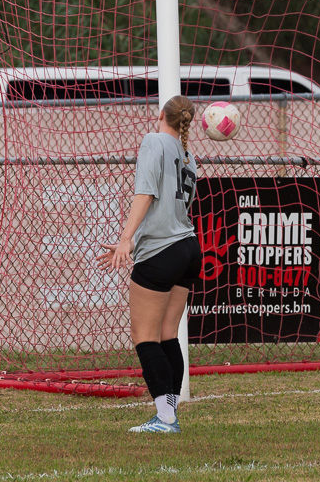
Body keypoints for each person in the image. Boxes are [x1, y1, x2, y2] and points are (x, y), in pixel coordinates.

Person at [97, 95, 201, 433]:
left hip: (162, 250)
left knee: (145, 338)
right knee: (168, 335)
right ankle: (168, 415)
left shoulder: (154, 140)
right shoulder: (189, 157)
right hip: (188, 248)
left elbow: (146, 193)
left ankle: (166, 419)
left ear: (161, 115)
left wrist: (126, 239)